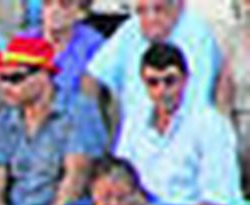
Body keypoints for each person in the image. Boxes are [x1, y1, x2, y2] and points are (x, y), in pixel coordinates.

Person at [116, 41, 241, 205]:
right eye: (153, 82)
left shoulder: (210, 125)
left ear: (185, 80)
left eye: (170, 81)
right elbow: (123, 175)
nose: (162, 90)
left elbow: (218, 203)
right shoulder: (135, 122)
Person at [0, 35, 107, 205]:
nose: (6, 86)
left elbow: (75, 180)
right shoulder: (0, 122)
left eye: (16, 78)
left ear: (44, 75)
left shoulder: (79, 111)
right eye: (2, 78)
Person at [85, 0, 222, 121]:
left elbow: (196, 105)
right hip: (133, 141)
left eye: (158, 9)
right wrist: (92, 122)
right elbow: (92, 77)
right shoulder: (131, 30)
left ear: (179, 5)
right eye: (142, 10)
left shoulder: (197, 35)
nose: (150, 18)